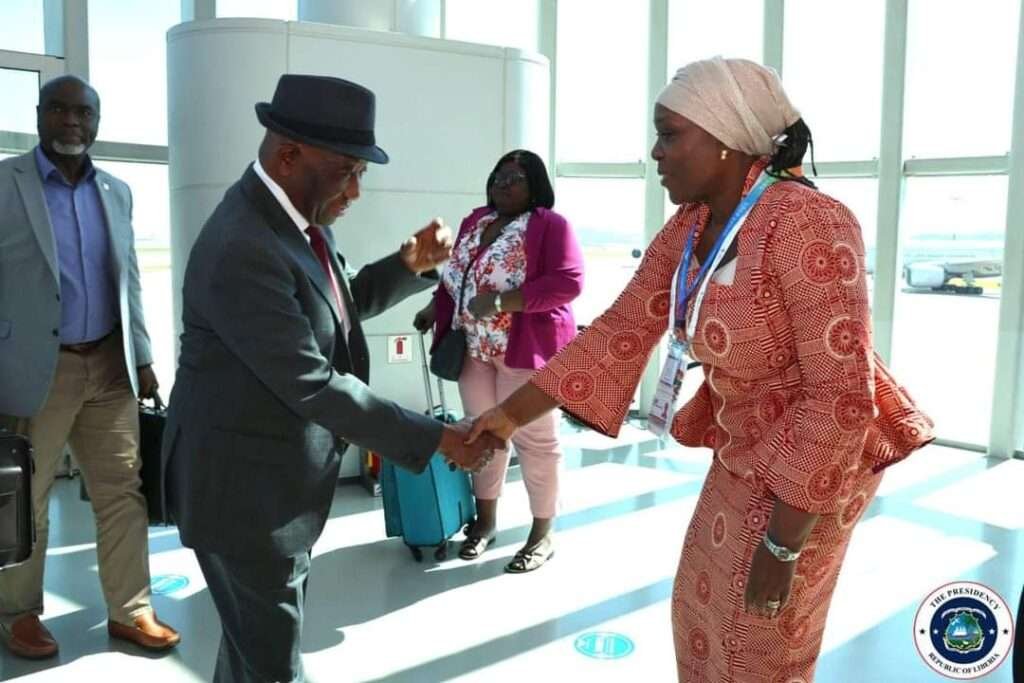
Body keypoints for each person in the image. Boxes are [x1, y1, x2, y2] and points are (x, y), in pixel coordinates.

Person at [468, 57, 934, 681]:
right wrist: (504, 419)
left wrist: (782, 547)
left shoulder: (807, 222)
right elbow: (617, 331)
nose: (655, 153)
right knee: (698, 610)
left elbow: (841, 398)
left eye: (668, 134)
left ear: (724, 140)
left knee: (755, 644)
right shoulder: (691, 226)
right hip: (743, 448)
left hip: (814, 462)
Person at [162, 74, 500, 683]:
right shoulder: (244, 245)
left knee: (250, 654)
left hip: (271, 487)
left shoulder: (295, 221)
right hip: (243, 501)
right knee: (272, 666)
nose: (356, 191)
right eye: (347, 171)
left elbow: (336, 307)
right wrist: (440, 439)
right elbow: (313, 383)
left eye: (360, 172)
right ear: (288, 156)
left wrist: (407, 266)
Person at [0, 76, 179, 658]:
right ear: (38, 114)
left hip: (109, 364)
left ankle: (131, 609)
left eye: (83, 111)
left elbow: (128, 280)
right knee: (27, 495)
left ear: (97, 121)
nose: (71, 120)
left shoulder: (116, 191)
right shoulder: (6, 184)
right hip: (36, 370)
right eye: (58, 109)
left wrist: (143, 356)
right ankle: (18, 612)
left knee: (122, 490)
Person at [413, 150, 583, 572]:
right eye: (498, 177)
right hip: (474, 350)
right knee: (479, 434)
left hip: (524, 350)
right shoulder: (476, 221)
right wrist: (434, 307)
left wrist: (504, 302)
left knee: (536, 441)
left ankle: (542, 532)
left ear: (535, 185)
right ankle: (485, 522)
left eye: (516, 179)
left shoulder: (549, 225)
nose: (503, 185)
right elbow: (457, 275)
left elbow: (568, 282)